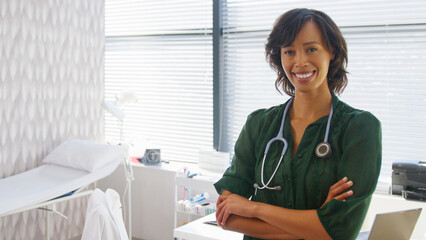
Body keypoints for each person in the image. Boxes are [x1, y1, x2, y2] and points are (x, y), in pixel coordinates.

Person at [214, 8, 382, 240]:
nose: (300, 62)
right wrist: (316, 223)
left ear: (331, 51)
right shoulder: (259, 124)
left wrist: (254, 209)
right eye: (289, 51)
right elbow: (227, 218)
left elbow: (342, 231)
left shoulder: (359, 129)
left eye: (311, 49)